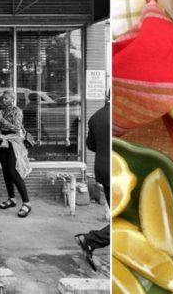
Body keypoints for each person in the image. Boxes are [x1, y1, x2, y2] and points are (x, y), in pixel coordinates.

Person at [75, 101, 110, 271]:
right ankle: (90, 240)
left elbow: (90, 145)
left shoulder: (95, 117)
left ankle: (90, 241)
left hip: (103, 170)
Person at [0, 90, 32, 218]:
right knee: (5, 171)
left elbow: (17, 127)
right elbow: (4, 127)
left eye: (6, 98)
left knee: (12, 171)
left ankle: (26, 203)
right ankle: (12, 199)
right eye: (3, 98)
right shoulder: (4, 111)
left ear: (12, 99)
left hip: (13, 141)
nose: (3, 100)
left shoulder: (17, 111)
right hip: (3, 140)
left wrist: (0, 119)